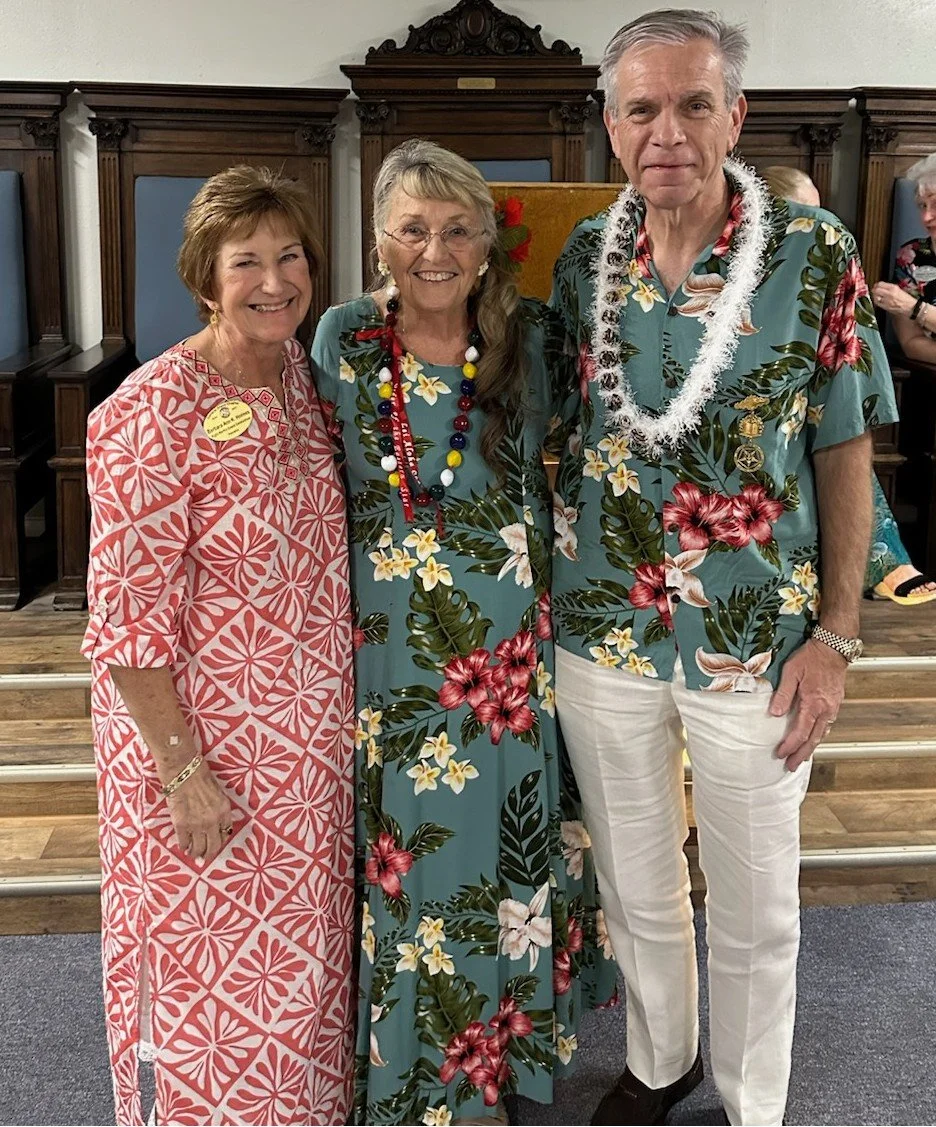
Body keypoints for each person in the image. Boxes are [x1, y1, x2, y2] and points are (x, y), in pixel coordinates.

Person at [549, 11, 899, 1127]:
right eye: (642, 108)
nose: (668, 132)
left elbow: (845, 446)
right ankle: (661, 1060)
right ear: (611, 125)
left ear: (734, 115)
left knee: (756, 896)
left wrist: (838, 635)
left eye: (694, 104)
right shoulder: (582, 260)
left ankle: (754, 1101)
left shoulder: (815, 253)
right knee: (636, 878)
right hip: (601, 619)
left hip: (760, 634)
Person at [311, 139, 616, 1127]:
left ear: (489, 241)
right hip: (395, 659)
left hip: (509, 662)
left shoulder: (533, 339)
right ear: (379, 240)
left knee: (504, 855)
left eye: (456, 229)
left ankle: (505, 1063)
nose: (433, 251)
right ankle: (412, 1078)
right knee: (415, 862)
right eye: (411, 228)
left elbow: (594, 458)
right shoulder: (347, 339)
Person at [82, 166, 355, 1127]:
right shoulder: (152, 411)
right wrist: (181, 770)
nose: (273, 281)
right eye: (247, 262)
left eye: (290, 257)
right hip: (207, 756)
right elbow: (124, 622)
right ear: (206, 276)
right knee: (213, 990)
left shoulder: (305, 382)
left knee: (305, 979)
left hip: (308, 763)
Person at [760, 165, 936, 606]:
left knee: (839, 430)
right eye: (921, 205)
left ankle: (875, 566)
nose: (926, 215)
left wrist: (916, 309)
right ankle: (882, 565)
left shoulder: (824, 266)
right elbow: (913, 344)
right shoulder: (913, 257)